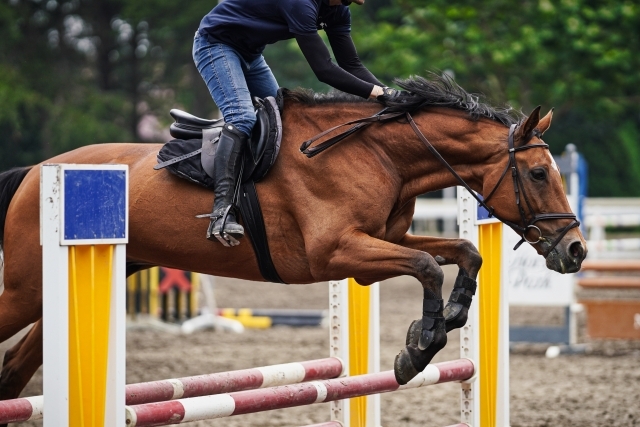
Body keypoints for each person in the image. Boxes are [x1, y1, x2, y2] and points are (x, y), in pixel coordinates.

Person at [194, 0, 391, 246]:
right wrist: (379, 94)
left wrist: (387, 93)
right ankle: (221, 212)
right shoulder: (300, 2)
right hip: (215, 45)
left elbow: (351, 65)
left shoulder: (339, 10)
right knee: (242, 116)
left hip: (251, 55)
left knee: (284, 120)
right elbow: (324, 69)